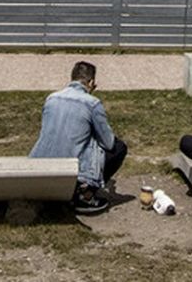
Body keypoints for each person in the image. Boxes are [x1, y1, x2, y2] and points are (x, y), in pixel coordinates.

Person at [29, 61, 127, 215]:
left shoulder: (51, 98)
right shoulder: (92, 103)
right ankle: (85, 196)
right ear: (91, 82)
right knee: (119, 148)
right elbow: (108, 143)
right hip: (72, 169)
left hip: (40, 163)